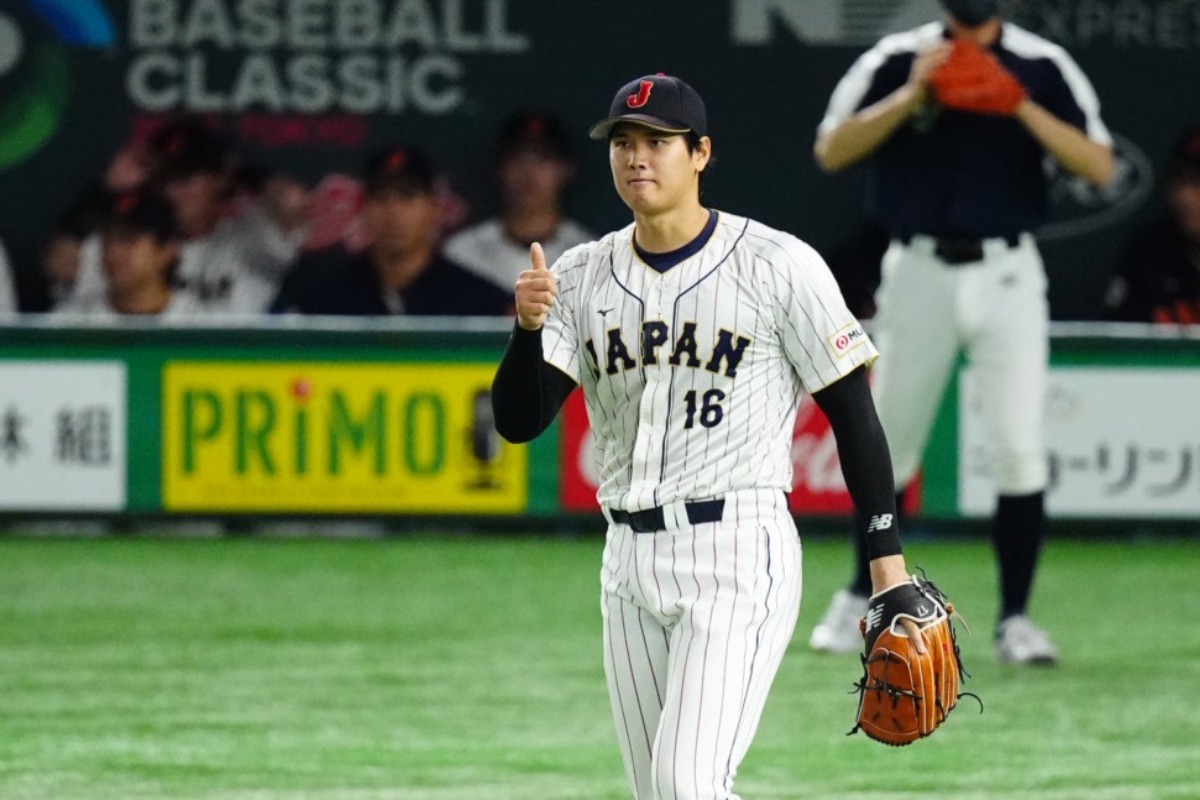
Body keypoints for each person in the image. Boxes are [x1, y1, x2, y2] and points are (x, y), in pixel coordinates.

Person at [492, 73, 925, 800]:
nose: (638, 157)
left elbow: (854, 413)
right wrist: (526, 332)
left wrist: (887, 561)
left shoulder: (776, 264)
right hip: (626, 560)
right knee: (660, 792)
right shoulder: (580, 274)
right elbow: (519, 420)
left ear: (700, 154)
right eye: (624, 142)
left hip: (736, 549)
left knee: (687, 784)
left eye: (658, 142)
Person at [809, 0, 1115, 664]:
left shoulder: (1040, 64)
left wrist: (1017, 104)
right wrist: (916, 91)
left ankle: (1016, 620)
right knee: (890, 441)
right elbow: (832, 148)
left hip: (1008, 270)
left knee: (1018, 446)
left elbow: (1100, 165)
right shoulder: (898, 58)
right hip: (917, 267)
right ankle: (861, 596)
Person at [54, 117, 308, 315]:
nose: (173, 191)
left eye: (186, 179)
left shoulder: (249, 239)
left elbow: (291, 200)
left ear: (219, 178)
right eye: (165, 178)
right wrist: (103, 190)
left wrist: (243, 172)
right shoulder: (126, 240)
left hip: (232, 367)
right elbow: (60, 265)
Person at [270, 144, 511, 316]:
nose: (393, 212)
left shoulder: (479, 302)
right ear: (362, 208)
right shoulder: (325, 299)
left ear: (435, 210)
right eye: (381, 197)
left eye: (408, 197)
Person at [442, 110, 593, 292]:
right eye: (517, 159)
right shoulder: (462, 253)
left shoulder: (589, 254)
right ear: (498, 168)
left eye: (542, 159)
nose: (528, 172)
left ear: (567, 170)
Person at [52, 189, 202, 319]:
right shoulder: (70, 321)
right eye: (108, 237)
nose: (113, 251)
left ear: (167, 250)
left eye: (129, 239)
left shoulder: (203, 323)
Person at [1104, 124, 1200, 323]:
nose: (1186, 196)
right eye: (1180, 180)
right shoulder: (1149, 251)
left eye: (1198, 183)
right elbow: (1119, 344)